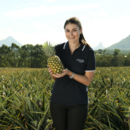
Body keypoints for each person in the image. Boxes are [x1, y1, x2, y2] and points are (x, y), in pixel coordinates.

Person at [48, 17, 96, 130]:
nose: (71, 34)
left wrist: (70, 73)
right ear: (65, 32)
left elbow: (87, 81)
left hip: (78, 103)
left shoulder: (88, 52)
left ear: (80, 30)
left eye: (74, 30)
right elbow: (55, 78)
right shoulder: (58, 49)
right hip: (57, 101)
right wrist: (53, 74)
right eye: (67, 30)